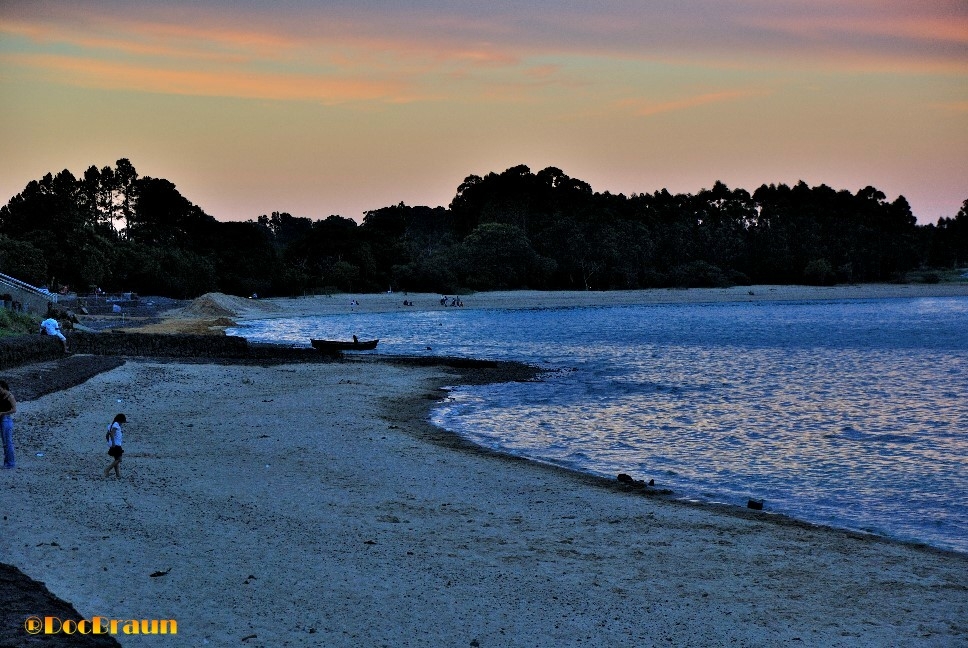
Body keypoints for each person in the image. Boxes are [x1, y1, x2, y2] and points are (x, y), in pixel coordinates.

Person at [104, 413, 126, 478]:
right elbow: (112, 434)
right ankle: (107, 469)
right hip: (116, 445)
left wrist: (109, 442)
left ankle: (118, 475)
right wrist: (113, 442)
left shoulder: (111, 425)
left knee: (116, 459)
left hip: (113, 444)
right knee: (119, 459)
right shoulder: (116, 425)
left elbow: (107, 435)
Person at [0, 380, 16, 469]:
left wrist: (3, 413)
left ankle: (10, 463)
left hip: (6, 420)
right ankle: (7, 463)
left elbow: (14, 410)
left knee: (7, 443)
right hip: (1, 419)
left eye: (0, 389)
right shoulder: (1, 396)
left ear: (4, 387)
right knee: (5, 443)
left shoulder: (10, 396)